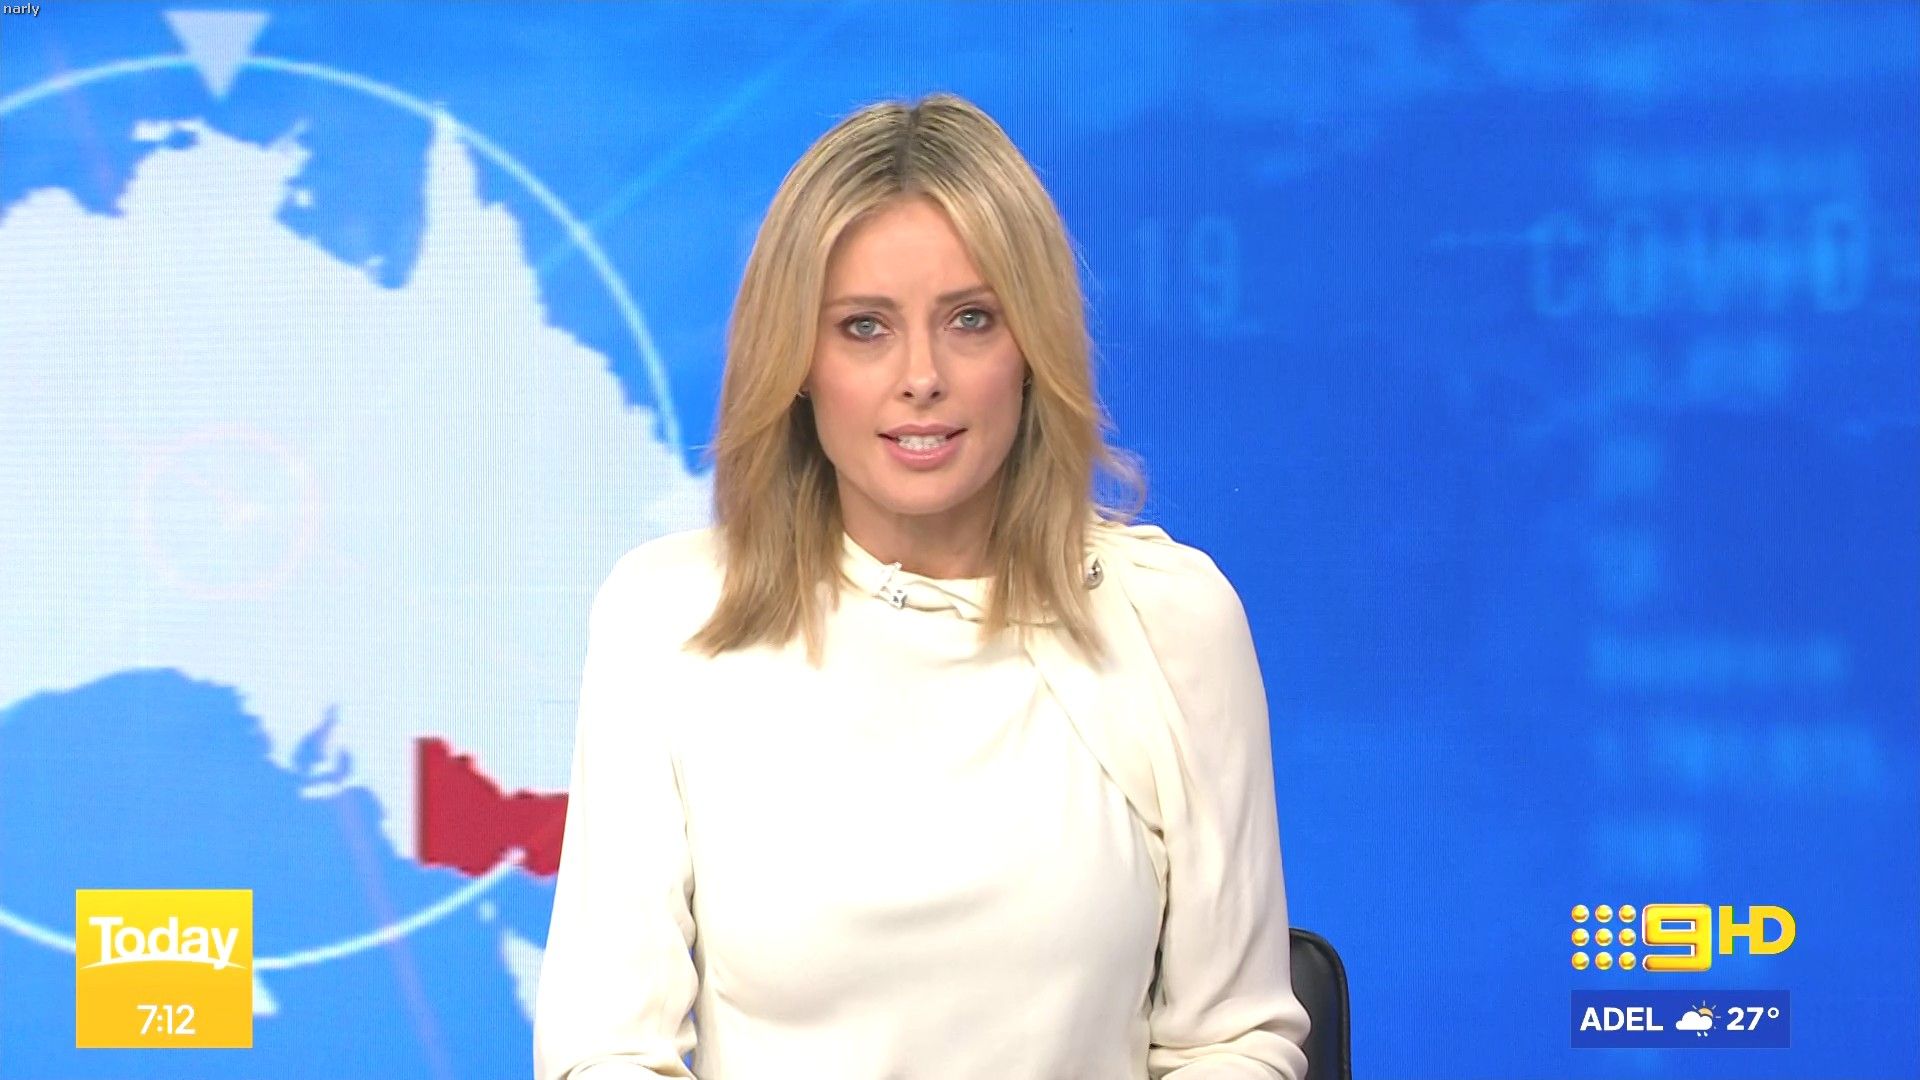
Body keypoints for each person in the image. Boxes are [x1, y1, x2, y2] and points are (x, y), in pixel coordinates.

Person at [532, 92, 1310, 1080]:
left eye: (971, 320)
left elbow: (1233, 1041)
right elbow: (604, 1051)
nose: (921, 376)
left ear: (1030, 349)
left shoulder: (1169, 619)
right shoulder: (672, 619)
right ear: (797, 360)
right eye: (864, 327)